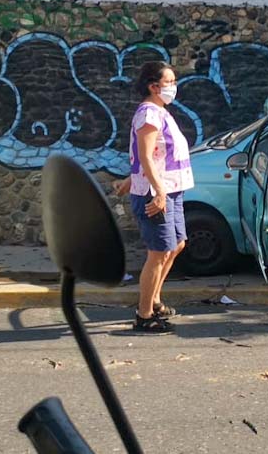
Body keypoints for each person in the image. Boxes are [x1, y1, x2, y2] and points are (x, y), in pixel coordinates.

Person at [114, 61, 194, 334]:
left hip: (172, 189)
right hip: (157, 194)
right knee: (158, 253)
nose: (174, 87)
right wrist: (158, 192)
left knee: (177, 245)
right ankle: (144, 314)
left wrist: (130, 179)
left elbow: (149, 156)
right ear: (153, 86)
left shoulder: (160, 112)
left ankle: (155, 299)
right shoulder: (149, 114)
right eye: (169, 82)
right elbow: (145, 154)